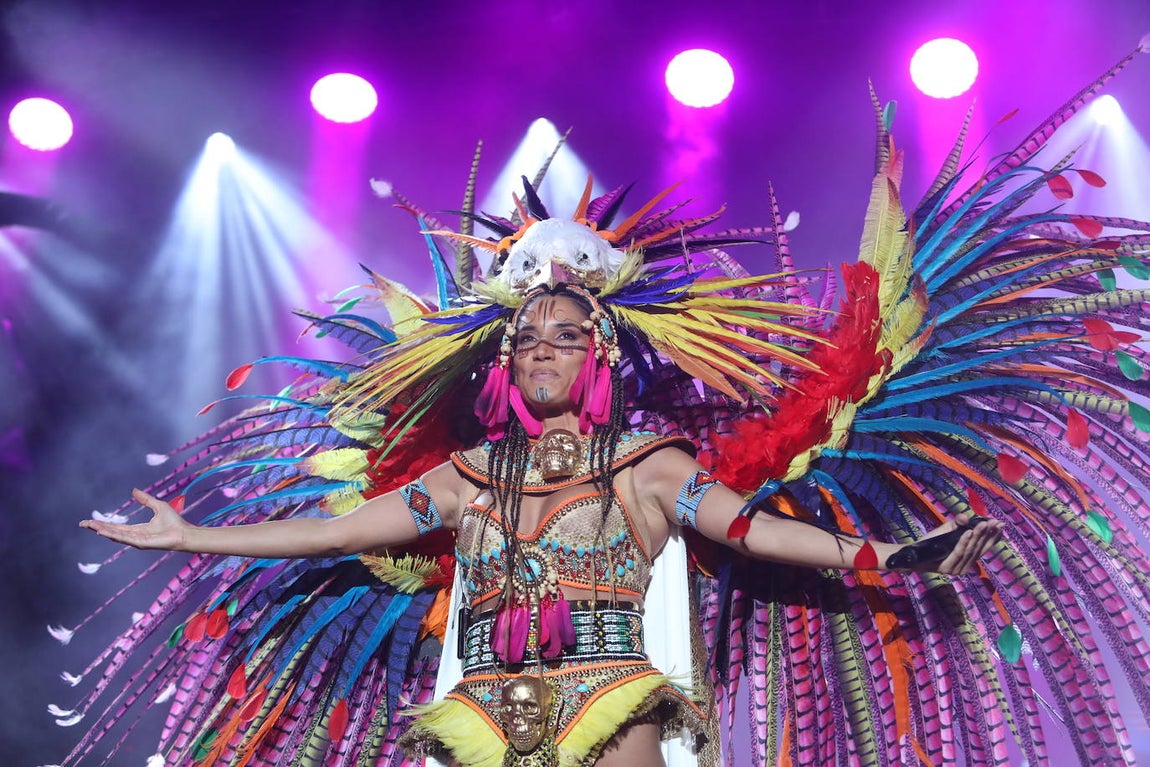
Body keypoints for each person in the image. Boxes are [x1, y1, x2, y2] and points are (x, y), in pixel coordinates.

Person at [82, 281, 1002, 767]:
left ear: (597, 357)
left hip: (605, 697)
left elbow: (750, 530)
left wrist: (883, 551)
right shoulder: (465, 475)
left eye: (562, 335)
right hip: (483, 703)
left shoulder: (646, 464)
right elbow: (334, 532)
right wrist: (192, 535)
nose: (539, 349)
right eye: (525, 338)